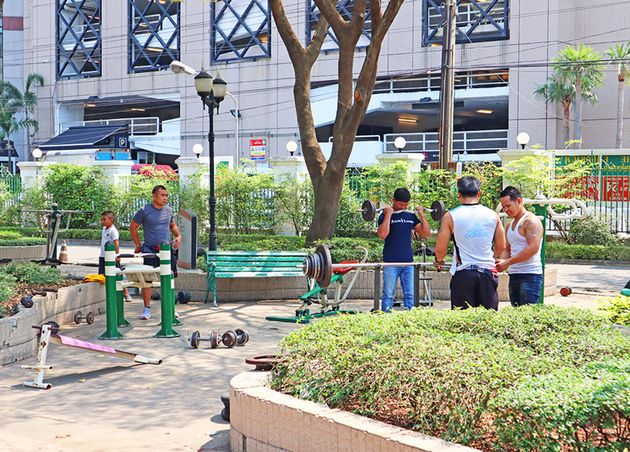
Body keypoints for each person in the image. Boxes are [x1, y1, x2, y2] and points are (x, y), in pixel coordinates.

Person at [435, 176, 506, 310]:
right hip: (487, 273)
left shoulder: (450, 216)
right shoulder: (493, 215)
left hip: (463, 274)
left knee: (462, 321)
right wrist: (492, 258)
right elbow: (501, 245)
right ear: (479, 193)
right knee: (488, 320)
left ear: (459, 195)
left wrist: (439, 260)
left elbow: (440, 248)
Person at [130, 185, 182, 320]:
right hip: (149, 249)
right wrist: (137, 245)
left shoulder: (169, 211)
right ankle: (147, 309)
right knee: (147, 280)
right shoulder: (144, 210)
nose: (165, 198)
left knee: (168, 279)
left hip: (166, 249)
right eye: (162, 195)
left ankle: (171, 309)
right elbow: (133, 227)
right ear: (154, 196)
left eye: (166, 195)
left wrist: (178, 236)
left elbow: (172, 226)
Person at [377, 188, 431, 312]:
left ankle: (409, 320)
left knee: (410, 294)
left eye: (406, 204)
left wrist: (422, 215)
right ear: (393, 201)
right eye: (401, 204)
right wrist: (388, 214)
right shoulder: (384, 215)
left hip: (408, 263)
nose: (403, 207)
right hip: (391, 262)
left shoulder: (410, 216)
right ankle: (385, 321)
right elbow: (382, 234)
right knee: (388, 294)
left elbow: (426, 233)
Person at [495, 186, 544, 306]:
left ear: (519, 201)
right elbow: (508, 249)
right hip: (514, 275)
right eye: (503, 207)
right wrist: (500, 262)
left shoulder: (531, 222)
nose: (506, 210)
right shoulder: (509, 225)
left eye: (508, 206)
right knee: (516, 316)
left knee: (527, 317)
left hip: (530, 275)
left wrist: (508, 262)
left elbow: (533, 248)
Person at [98, 211, 132, 302]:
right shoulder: (104, 229)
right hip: (103, 256)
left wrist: (117, 255)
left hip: (111, 257)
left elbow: (116, 243)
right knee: (101, 276)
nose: (102, 221)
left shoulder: (113, 231)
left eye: (104, 219)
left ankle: (126, 294)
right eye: (102, 219)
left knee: (117, 275)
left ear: (111, 219)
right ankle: (106, 295)